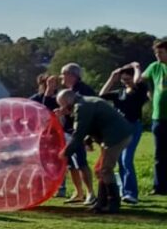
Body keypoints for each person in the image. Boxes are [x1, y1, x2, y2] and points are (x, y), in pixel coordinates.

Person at [57, 89, 133, 214]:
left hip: (117, 137)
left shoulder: (81, 106)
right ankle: (101, 203)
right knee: (99, 169)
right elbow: (91, 123)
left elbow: (79, 133)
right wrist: (88, 140)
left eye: (62, 104)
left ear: (68, 100)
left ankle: (113, 204)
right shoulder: (85, 102)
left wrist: (65, 153)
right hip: (117, 135)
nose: (62, 107)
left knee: (105, 169)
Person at [101, 65, 149, 204]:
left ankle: (131, 193)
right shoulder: (120, 93)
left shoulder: (139, 90)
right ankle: (124, 191)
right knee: (120, 161)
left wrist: (136, 66)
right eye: (123, 80)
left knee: (126, 159)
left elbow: (138, 80)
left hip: (133, 126)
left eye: (128, 79)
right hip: (119, 129)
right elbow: (102, 95)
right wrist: (112, 78)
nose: (126, 82)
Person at [57, 63, 97, 206]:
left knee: (81, 162)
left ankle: (90, 193)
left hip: (79, 131)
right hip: (69, 131)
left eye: (63, 74)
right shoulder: (70, 90)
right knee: (71, 164)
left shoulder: (83, 91)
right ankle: (79, 192)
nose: (61, 77)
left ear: (72, 75)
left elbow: (85, 112)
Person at [140, 38, 167, 194]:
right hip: (159, 117)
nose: (158, 55)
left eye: (161, 52)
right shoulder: (154, 67)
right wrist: (149, 91)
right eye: (156, 53)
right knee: (160, 154)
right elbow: (140, 80)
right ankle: (159, 187)